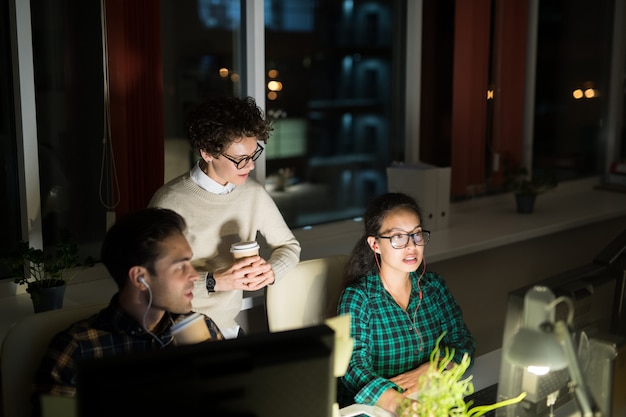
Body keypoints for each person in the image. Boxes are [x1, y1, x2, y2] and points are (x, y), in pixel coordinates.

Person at [35, 208, 224, 405]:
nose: (194, 275)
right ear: (140, 278)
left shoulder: (203, 329)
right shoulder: (77, 349)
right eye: (180, 266)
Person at [148, 95, 301, 338]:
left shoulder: (253, 193)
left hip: (228, 327)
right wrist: (214, 282)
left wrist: (271, 270)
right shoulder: (169, 202)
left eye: (253, 155)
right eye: (240, 159)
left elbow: (289, 246)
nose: (249, 166)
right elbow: (155, 281)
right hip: (178, 329)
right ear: (207, 153)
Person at [337, 192, 475, 414]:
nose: (412, 246)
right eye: (398, 237)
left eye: (417, 235)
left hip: (428, 398)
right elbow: (353, 368)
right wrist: (400, 404)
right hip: (375, 409)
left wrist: (433, 369)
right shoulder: (358, 297)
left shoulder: (434, 287)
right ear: (375, 245)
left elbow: (464, 343)